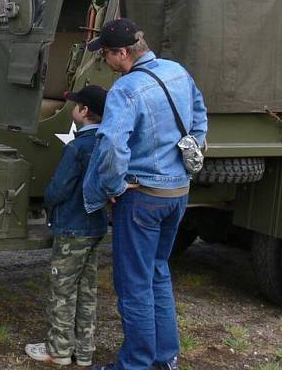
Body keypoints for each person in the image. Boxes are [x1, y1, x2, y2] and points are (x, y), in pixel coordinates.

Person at [82, 18, 207, 370]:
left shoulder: (126, 89)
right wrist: (191, 153)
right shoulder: (178, 72)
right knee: (158, 272)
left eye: (105, 54)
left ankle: (135, 364)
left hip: (142, 198)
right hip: (177, 193)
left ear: (122, 53)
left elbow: (110, 145)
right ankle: (165, 358)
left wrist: (114, 186)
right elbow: (199, 117)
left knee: (134, 284)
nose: (104, 60)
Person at [26, 85, 109, 367]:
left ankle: (59, 351)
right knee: (87, 291)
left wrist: (47, 202)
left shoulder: (76, 147)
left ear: (84, 112)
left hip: (72, 227)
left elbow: (58, 189)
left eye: (75, 105)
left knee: (62, 291)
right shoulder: (106, 142)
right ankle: (84, 352)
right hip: (96, 225)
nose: (72, 109)